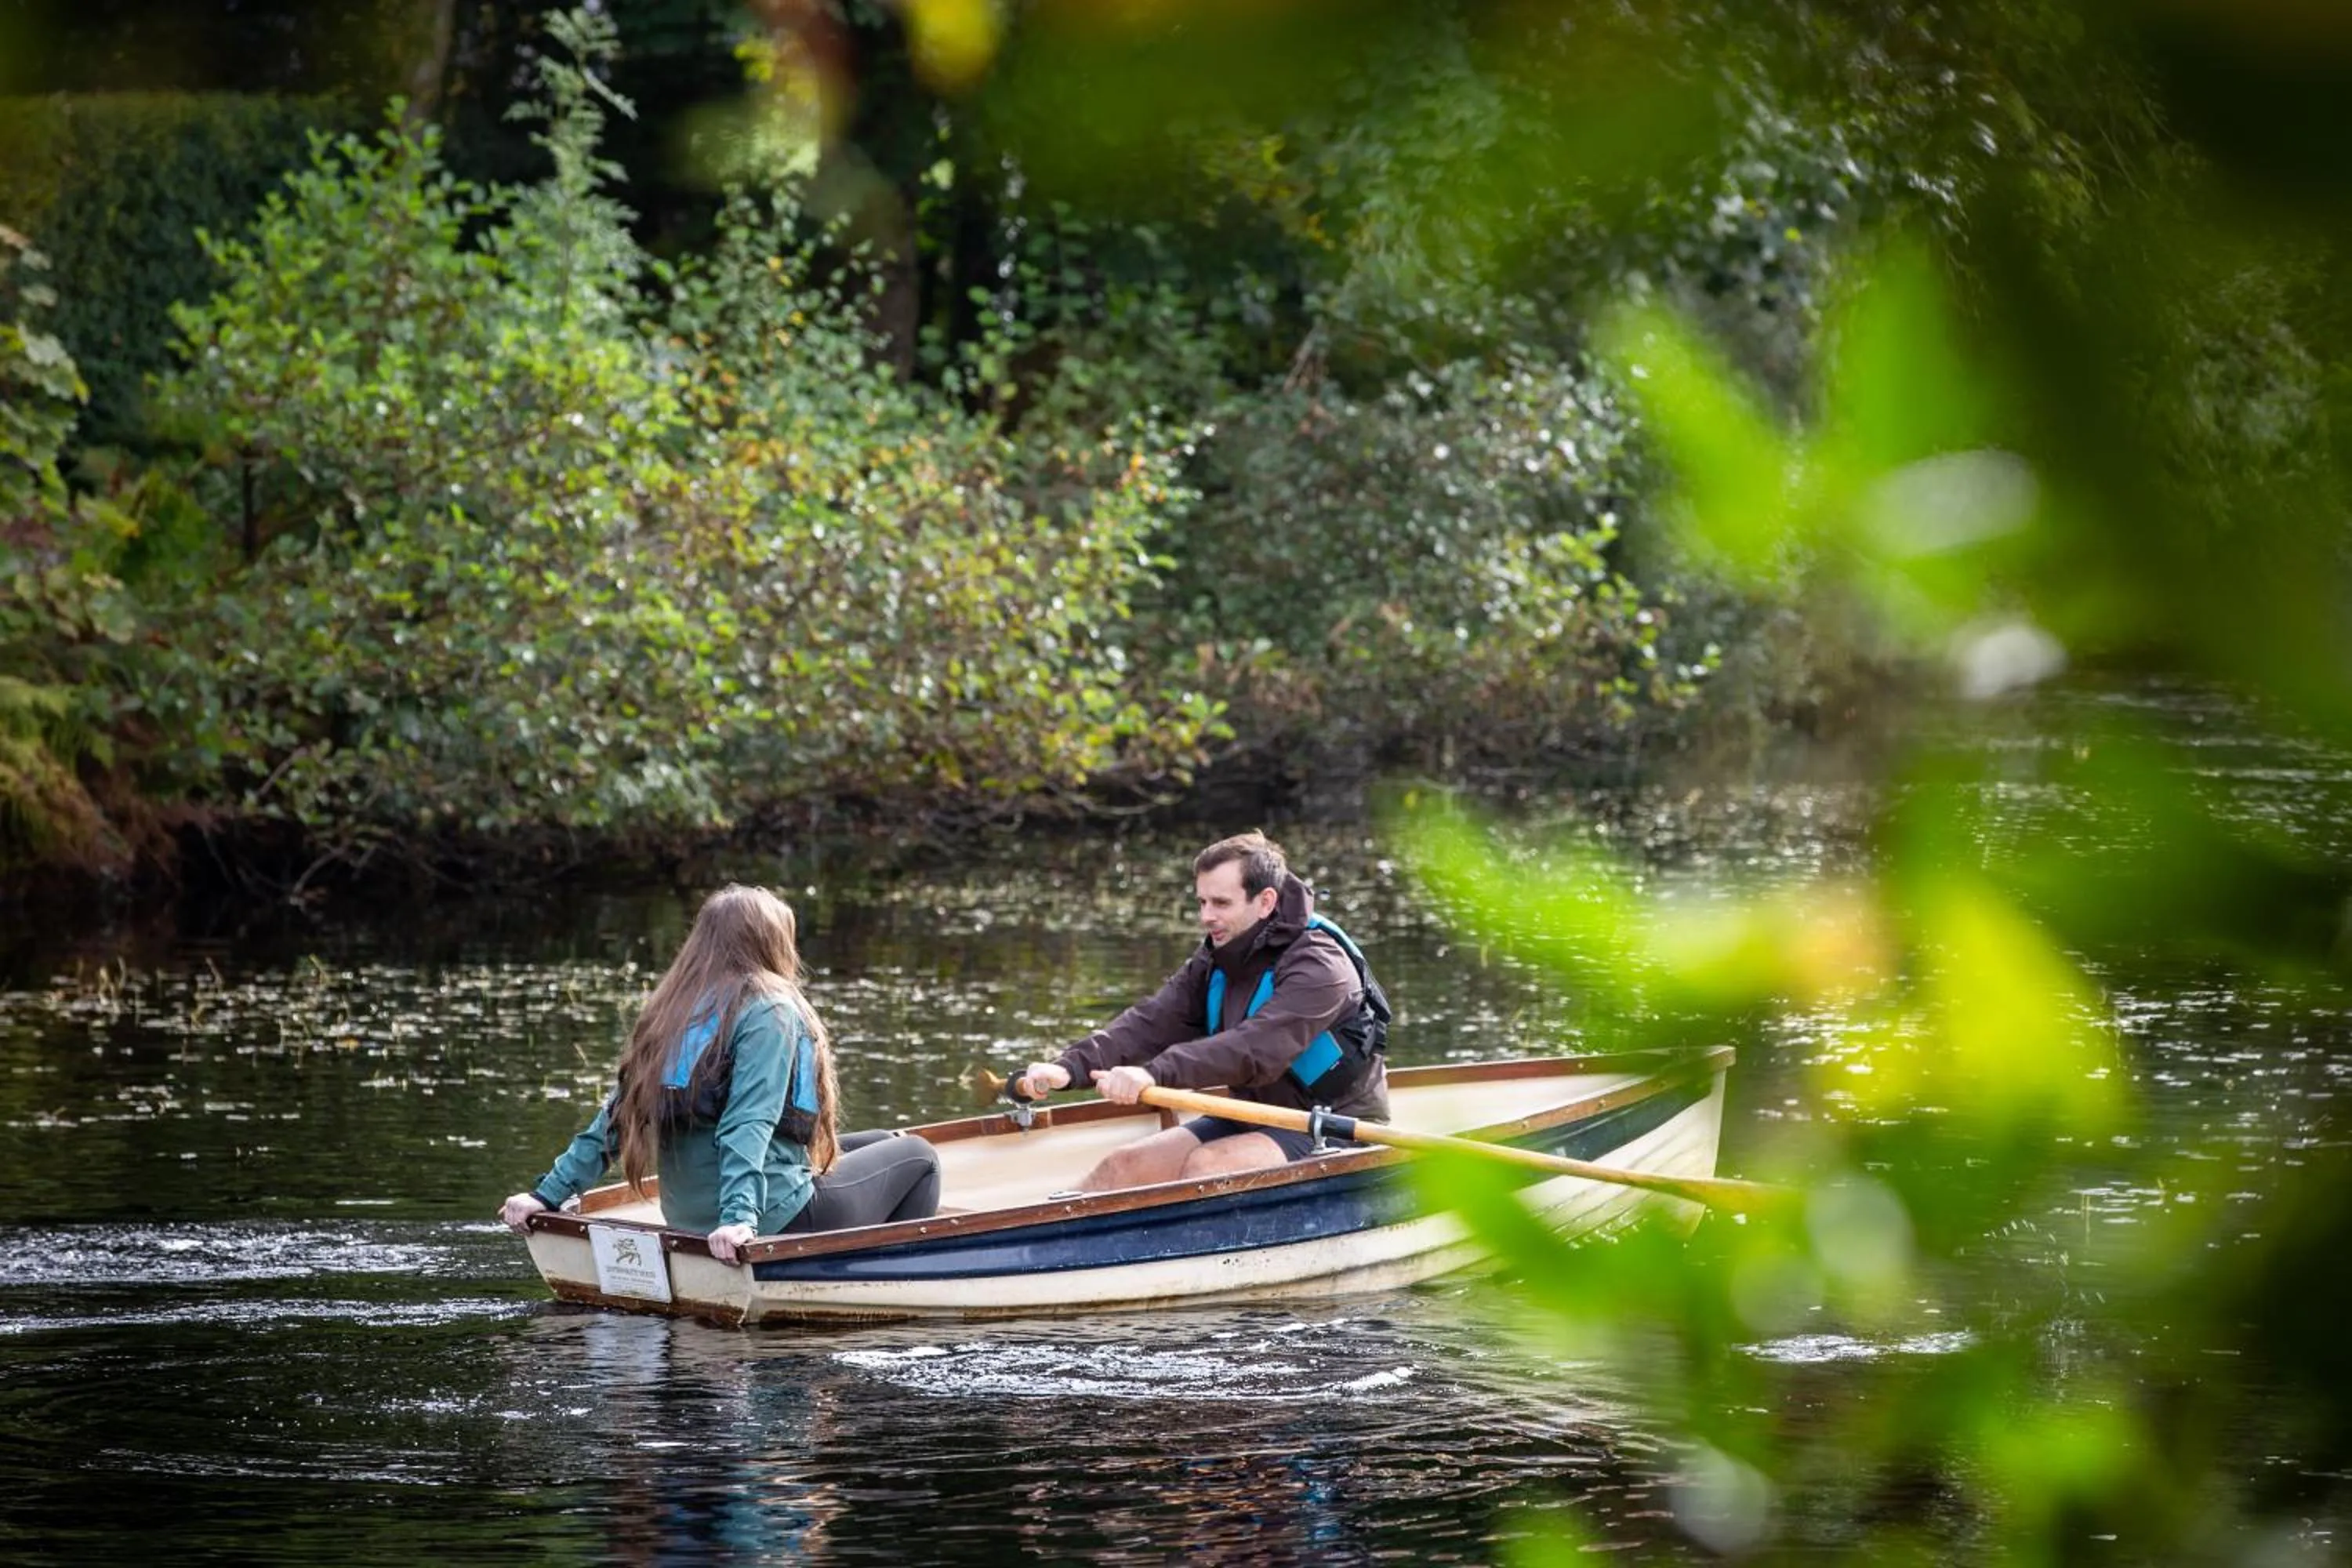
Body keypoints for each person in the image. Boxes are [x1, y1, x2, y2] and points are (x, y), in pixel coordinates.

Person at [498, 884, 939, 1261]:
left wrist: (544, 1194)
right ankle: (891, 1278)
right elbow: (749, 1121)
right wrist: (739, 1220)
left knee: (885, 1140)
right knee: (919, 1156)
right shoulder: (770, 1010)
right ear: (771, 945)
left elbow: (613, 1120)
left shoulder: (673, 1009)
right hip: (766, 1216)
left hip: (689, 1215)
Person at [1016, 831, 1390, 1190]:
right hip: (1252, 1114)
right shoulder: (1217, 956)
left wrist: (1152, 1074)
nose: (1206, 916)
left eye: (1221, 904)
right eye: (1202, 902)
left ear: (1265, 902)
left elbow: (1254, 1050)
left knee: (1208, 1167)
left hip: (1332, 1126)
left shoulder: (1321, 968)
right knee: (1122, 1166)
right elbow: (1152, 1022)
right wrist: (1069, 1067)